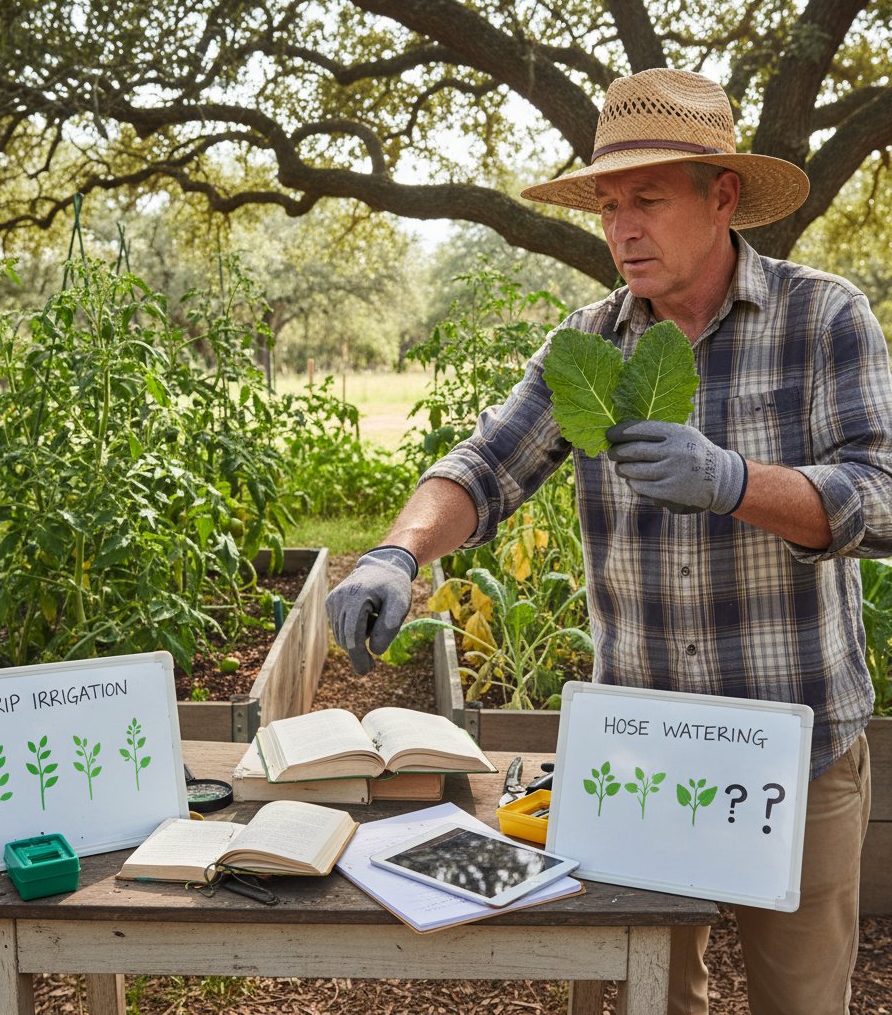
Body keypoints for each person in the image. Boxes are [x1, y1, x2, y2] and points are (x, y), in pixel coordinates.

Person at [325, 68, 892, 1015]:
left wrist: (736, 483)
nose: (623, 227)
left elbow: (884, 496)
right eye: (609, 204)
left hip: (795, 752)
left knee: (802, 1000)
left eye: (649, 200)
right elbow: (484, 466)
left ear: (721, 197)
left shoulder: (823, 317)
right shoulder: (586, 347)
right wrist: (398, 552)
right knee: (633, 995)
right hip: (643, 756)